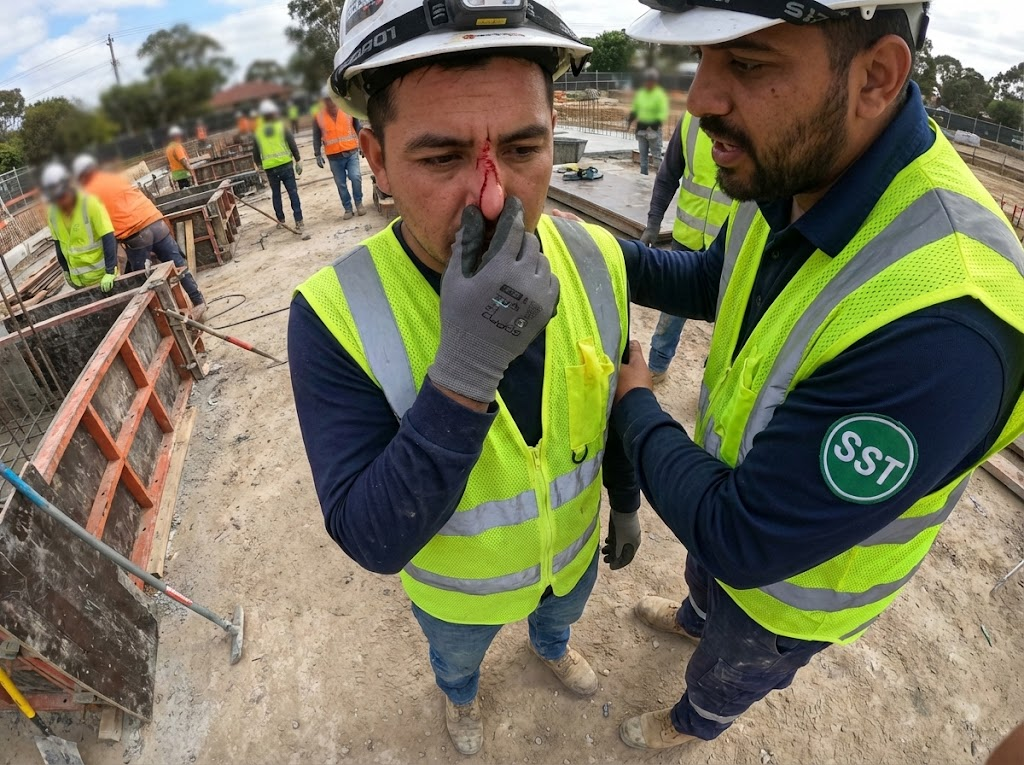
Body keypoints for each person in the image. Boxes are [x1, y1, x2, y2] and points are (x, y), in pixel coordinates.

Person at [612, 0, 1024, 752]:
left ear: (876, 78)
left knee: (729, 670)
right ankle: (693, 614)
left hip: (788, 595)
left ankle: (689, 721)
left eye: (749, 61)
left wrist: (637, 407)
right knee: (707, 588)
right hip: (723, 498)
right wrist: (603, 256)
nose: (700, 97)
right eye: (702, 57)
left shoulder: (946, 324)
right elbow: (716, 276)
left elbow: (745, 535)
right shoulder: (799, 161)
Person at [290, 0, 641, 756]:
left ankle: (550, 647)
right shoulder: (334, 313)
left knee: (559, 615)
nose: (493, 196)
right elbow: (370, 535)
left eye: (523, 148)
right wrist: (467, 369)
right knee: (457, 657)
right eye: (441, 158)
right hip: (460, 595)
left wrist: (628, 500)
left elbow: (608, 400)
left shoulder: (595, 259)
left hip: (571, 554)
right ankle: (461, 694)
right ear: (376, 161)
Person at [641, 111, 732, 383]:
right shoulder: (691, 122)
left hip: (730, 244)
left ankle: (714, 379)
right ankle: (657, 365)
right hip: (687, 238)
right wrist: (653, 223)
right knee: (672, 307)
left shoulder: (754, 119)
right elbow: (668, 175)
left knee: (729, 319)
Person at [72, 154, 207, 319]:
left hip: (136, 235)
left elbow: (99, 227)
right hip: (157, 222)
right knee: (178, 264)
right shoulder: (113, 178)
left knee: (144, 282)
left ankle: (161, 318)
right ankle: (198, 301)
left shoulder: (87, 193)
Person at [41, 162, 118, 293]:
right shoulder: (53, 213)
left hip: (102, 277)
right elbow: (58, 244)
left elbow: (108, 236)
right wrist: (66, 270)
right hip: (78, 281)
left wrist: (110, 271)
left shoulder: (90, 204)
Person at [313, 85, 365, 220]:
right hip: (334, 156)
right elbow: (316, 134)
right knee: (341, 184)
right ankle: (348, 208)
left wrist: (363, 145)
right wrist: (317, 153)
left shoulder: (347, 109)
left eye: (331, 99)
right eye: (326, 100)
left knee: (355, 177)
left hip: (351, 151)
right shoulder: (318, 115)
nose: (329, 103)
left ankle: (359, 203)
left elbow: (358, 127)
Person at [252, 99, 304, 231]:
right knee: (293, 193)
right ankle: (299, 220)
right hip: (285, 165)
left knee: (276, 194)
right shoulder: (281, 127)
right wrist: (298, 159)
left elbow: (256, 150)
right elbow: (291, 143)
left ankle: (281, 220)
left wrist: (257, 164)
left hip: (270, 168)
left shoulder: (258, 131)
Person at [627, 68, 669, 176]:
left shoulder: (659, 95)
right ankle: (643, 178)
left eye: (650, 81)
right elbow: (636, 108)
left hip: (653, 130)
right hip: (641, 130)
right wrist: (630, 119)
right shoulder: (641, 93)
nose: (648, 83)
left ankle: (660, 180)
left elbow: (662, 112)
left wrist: (654, 123)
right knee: (643, 158)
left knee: (656, 158)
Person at [165, 126, 195, 190]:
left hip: (176, 175)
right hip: (183, 173)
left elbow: (168, 161)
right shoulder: (177, 146)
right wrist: (190, 169)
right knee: (188, 191)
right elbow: (182, 160)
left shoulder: (168, 148)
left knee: (183, 191)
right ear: (176, 136)